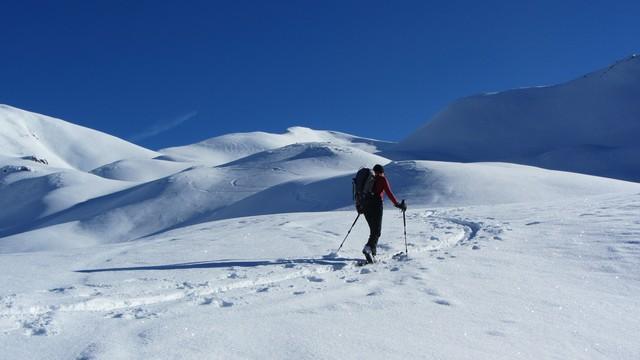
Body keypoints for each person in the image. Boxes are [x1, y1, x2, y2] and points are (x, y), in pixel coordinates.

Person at [362, 164, 406, 263]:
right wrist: (398, 204)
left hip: (365, 205)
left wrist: (360, 206)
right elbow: (389, 193)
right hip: (376, 205)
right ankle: (368, 248)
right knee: (377, 231)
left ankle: (372, 254)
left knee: (373, 230)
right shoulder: (382, 179)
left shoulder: (367, 180)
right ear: (381, 172)